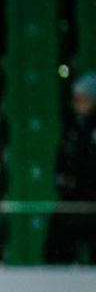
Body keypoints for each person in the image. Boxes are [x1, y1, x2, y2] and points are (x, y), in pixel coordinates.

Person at [49, 73, 96, 265]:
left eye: (84, 99)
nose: (79, 104)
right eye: (77, 99)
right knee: (57, 243)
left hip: (93, 205)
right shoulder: (71, 128)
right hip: (72, 202)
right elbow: (62, 162)